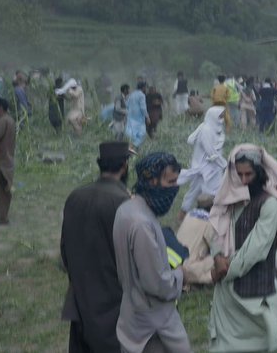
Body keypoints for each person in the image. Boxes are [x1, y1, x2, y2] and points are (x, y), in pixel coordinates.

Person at [207, 145, 277, 353]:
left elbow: (256, 249)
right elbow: (216, 231)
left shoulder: (269, 204)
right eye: (240, 175)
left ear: (259, 173)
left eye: (249, 174)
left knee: (268, 339)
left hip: (257, 288)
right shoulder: (228, 203)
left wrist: (226, 270)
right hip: (228, 293)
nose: (245, 180)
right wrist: (217, 256)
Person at [113, 152, 192, 352]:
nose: (175, 188)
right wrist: (182, 275)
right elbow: (156, 283)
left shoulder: (127, 209)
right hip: (152, 326)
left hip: (133, 316)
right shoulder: (142, 224)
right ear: (152, 180)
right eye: (170, 182)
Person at [61, 141, 133, 353]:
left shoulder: (75, 197)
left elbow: (65, 251)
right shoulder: (124, 203)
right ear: (125, 166)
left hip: (80, 299)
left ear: (100, 164)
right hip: (114, 305)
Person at [177, 105, 228, 215]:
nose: (221, 120)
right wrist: (224, 164)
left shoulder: (216, 129)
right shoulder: (206, 130)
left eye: (222, 117)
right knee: (193, 194)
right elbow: (210, 151)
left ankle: (210, 217)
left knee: (214, 193)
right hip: (203, 169)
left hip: (214, 169)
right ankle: (184, 217)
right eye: (220, 117)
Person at [125, 82, 148, 147]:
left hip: (131, 118)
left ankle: (134, 148)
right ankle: (133, 146)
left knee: (133, 135)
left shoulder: (131, 94)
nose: (146, 89)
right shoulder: (141, 95)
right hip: (139, 118)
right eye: (145, 87)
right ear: (143, 88)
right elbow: (143, 108)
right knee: (142, 135)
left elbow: (127, 105)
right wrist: (147, 117)